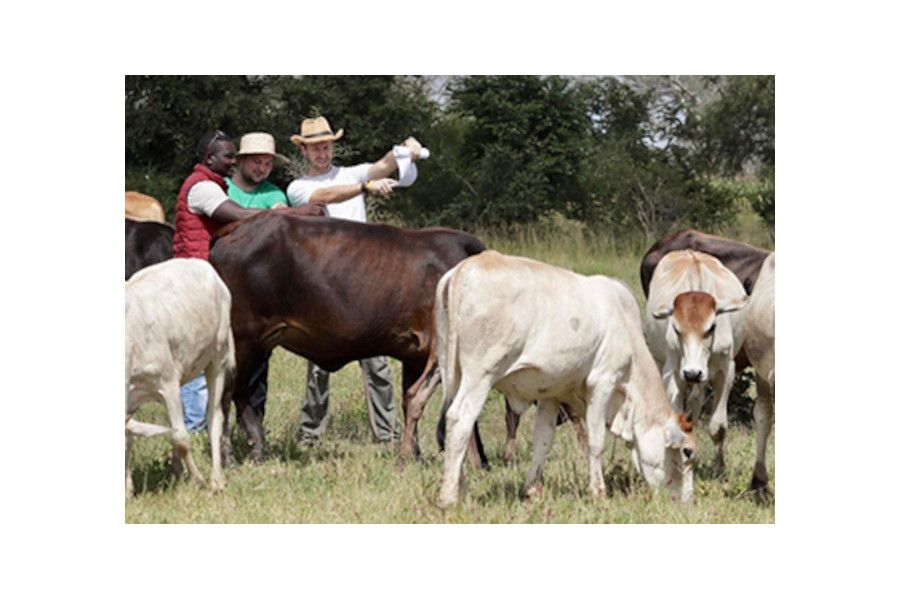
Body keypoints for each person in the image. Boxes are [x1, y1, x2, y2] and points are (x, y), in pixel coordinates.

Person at [286, 116, 423, 445]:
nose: (323, 152)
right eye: (316, 147)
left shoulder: (351, 172)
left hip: (363, 281)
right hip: (324, 283)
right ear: (304, 150)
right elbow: (325, 195)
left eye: (327, 145)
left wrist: (407, 149)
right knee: (320, 364)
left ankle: (388, 435)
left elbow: (382, 166)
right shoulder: (297, 187)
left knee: (377, 360)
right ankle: (310, 436)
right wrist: (363, 188)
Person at [174, 130, 321, 431]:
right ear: (209, 158)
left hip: (205, 278)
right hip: (194, 278)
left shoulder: (213, 184)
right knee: (196, 354)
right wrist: (298, 213)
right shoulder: (203, 188)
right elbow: (239, 214)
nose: (230, 162)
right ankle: (193, 428)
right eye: (228, 156)